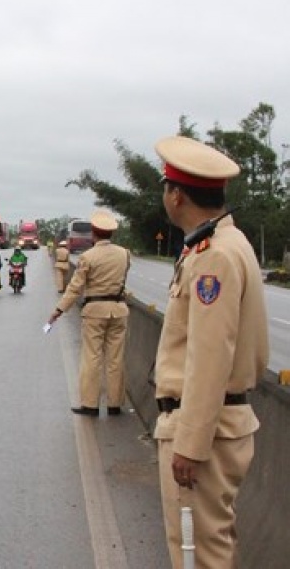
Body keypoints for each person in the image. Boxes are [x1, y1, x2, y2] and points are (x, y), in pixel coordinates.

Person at [152, 135, 268, 568]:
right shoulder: (226, 243)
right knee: (212, 547)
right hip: (221, 425)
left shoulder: (214, 256)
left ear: (177, 195)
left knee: (199, 556)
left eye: (166, 187)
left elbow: (210, 357)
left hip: (206, 429)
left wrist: (191, 443)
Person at [47, 209, 130, 416]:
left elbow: (75, 288)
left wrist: (59, 310)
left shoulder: (88, 257)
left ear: (94, 232)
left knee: (92, 358)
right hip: (119, 310)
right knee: (115, 359)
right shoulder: (124, 254)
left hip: (95, 311)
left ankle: (90, 404)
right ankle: (114, 404)